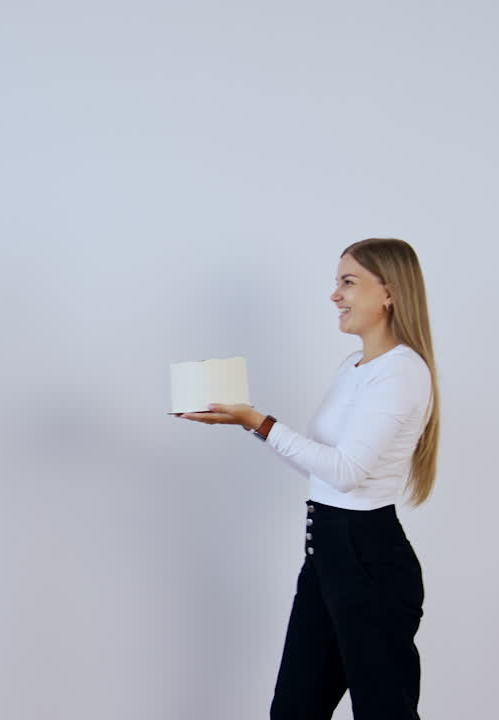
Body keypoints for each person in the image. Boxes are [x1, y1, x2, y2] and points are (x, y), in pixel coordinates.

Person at [177, 238, 441, 720]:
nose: (335, 295)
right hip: (325, 560)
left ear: (389, 292)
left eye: (348, 282)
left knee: (385, 711)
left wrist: (259, 421)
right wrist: (248, 424)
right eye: (336, 282)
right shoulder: (354, 367)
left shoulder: (401, 373)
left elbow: (346, 472)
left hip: (369, 562)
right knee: (295, 710)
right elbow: (321, 469)